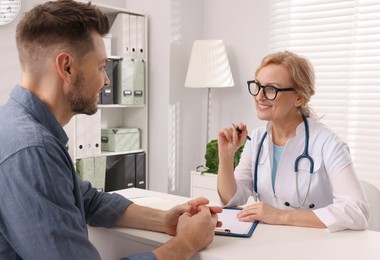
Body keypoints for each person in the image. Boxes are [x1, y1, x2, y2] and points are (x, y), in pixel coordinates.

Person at [0, 1, 222, 259]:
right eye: (101, 66)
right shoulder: (32, 150)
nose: (106, 80)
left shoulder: (17, 124)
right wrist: (187, 243)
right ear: (67, 68)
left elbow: (86, 199)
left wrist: (164, 219)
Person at [217, 51, 369, 232]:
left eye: (271, 89)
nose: (259, 96)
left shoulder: (328, 143)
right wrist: (226, 157)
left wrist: (280, 216)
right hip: (269, 241)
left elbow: (357, 211)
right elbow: (232, 199)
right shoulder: (257, 139)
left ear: (299, 98)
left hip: (316, 245)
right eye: (257, 86)